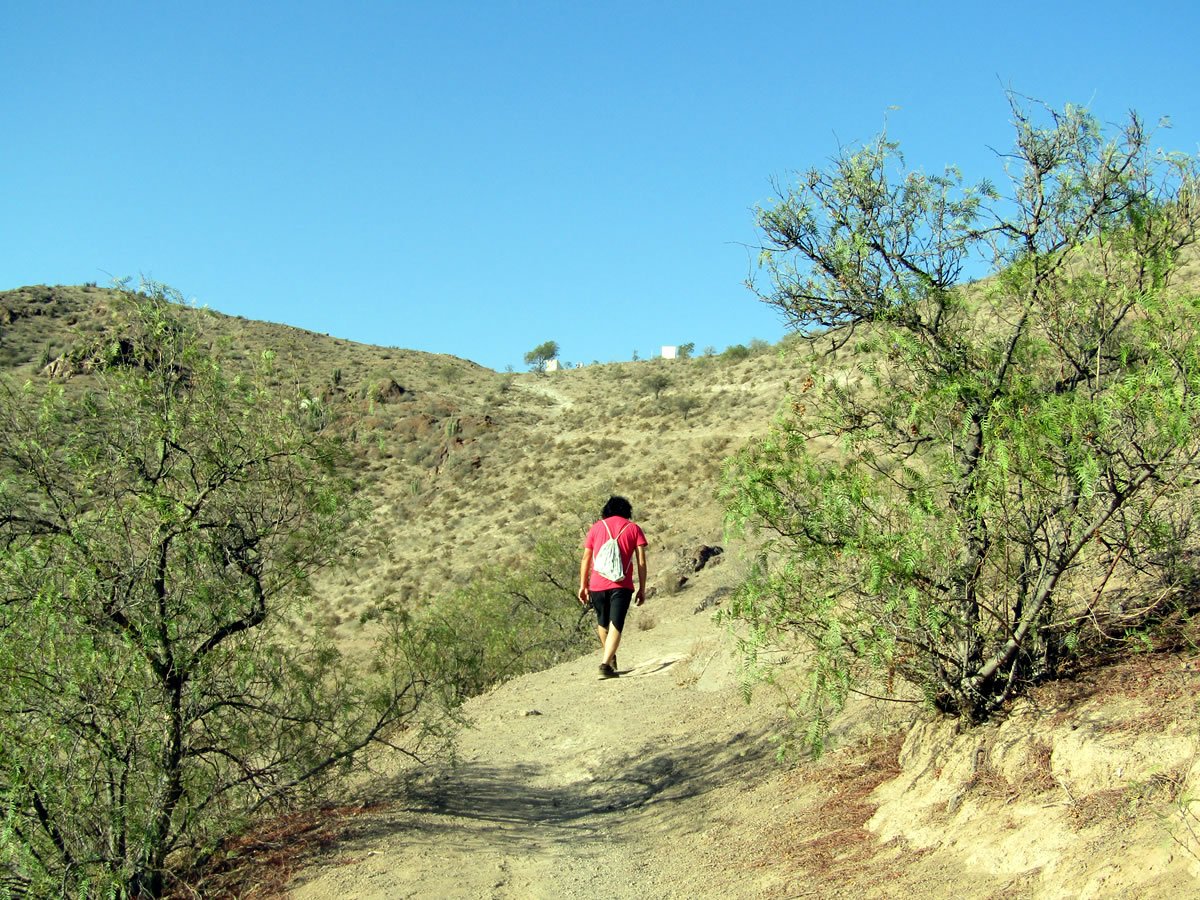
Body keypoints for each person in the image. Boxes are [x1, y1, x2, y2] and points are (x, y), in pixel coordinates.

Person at [578, 496, 648, 678]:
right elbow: (641, 561)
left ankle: (609, 656)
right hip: (621, 584)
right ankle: (604, 665)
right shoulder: (633, 529)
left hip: (596, 584)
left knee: (602, 621)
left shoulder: (596, 528)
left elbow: (586, 558)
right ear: (627, 511)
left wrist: (583, 585)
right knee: (616, 623)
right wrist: (642, 587)